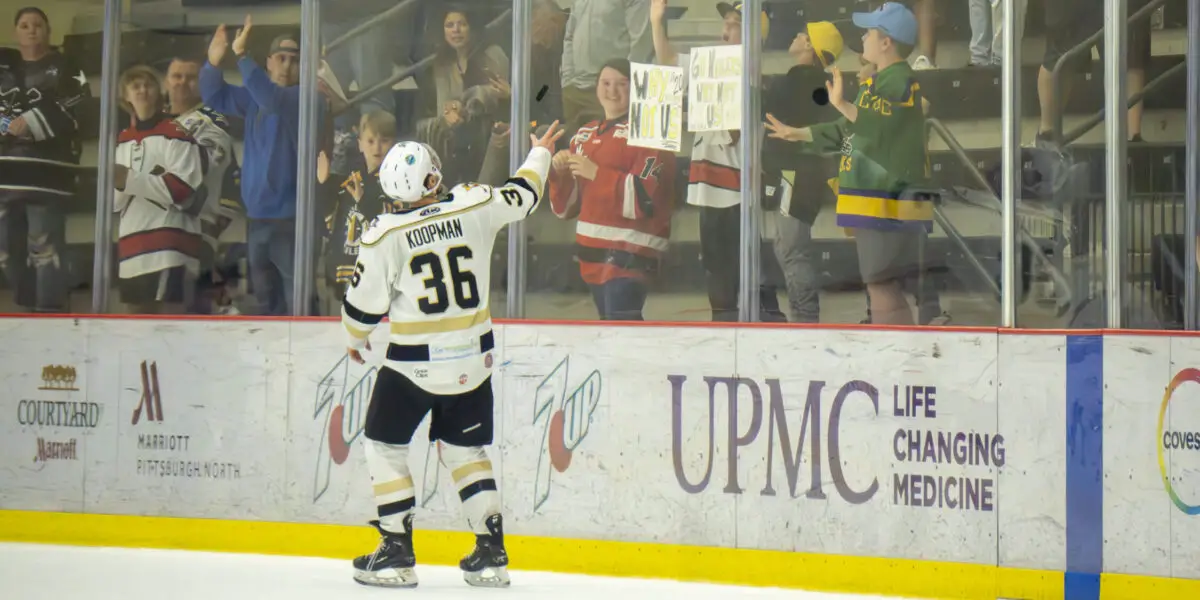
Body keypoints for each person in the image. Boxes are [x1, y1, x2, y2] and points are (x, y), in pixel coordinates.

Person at [342, 121, 566, 588]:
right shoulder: (473, 203)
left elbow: (362, 311)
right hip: (473, 364)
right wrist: (540, 153)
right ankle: (491, 552)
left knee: (383, 446)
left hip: (412, 365)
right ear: (431, 178)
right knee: (466, 452)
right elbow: (523, 195)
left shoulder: (385, 232)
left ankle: (397, 551)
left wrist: (355, 337)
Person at [765, 2, 932, 325]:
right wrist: (797, 133)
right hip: (875, 202)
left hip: (886, 202)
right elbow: (849, 128)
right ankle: (897, 358)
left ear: (887, 42)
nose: (864, 38)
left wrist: (841, 103)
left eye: (869, 32)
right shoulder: (881, 81)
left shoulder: (899, 80)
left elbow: (879, 126)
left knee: (883, 288)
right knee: (880, 287)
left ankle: (898, 361)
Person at [548, 58, 676, 320]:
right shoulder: (583, 134)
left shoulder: (652, 133)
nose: (612, 91)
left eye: (622, 84)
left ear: (636, 89)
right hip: (591, 258)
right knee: (610, 334)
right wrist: (559, 174)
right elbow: (566, 208)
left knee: (621, 335)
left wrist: (596, 173)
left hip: (630, 259)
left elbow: (645, 199)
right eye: (606, 83)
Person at [201, 16, 303, 315]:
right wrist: (213, 63)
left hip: (290, 221)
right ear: (269, 62)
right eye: (280, 58)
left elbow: (272, 100)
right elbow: (214, 95)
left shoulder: (303, 98)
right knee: (266, 301)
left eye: (294, 60)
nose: (286, 66)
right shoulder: (254, 98)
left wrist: (243, 57)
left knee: (296, 304)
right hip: (257, 219)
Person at [0, 6, 89, 312]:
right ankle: (28, 306)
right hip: (4, 176)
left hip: (46, 177)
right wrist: (7, 126)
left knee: (46, 248)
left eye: (38, 24)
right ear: (15, 33)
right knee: (5, 253)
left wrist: (32, 123)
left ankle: (49, 314)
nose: (31, 29)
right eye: (24, 24)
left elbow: (78, 99)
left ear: (48, 32)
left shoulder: (65, 66)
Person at [113, 65, 208, 314]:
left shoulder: (178, 132)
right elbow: (113, 202)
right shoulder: (121, 140)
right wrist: (134, 183)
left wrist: (130, 180)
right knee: (136, 334)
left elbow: (183, 190)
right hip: (131, 250)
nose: (142, 89)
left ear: (159, 91)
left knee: (169, 330)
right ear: (125, 96)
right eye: (135, 86)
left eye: (149, 84)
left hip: (170, 247)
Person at [319, 109, 397, 308]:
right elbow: (329, 218)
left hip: (381, 277)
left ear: (394, 144)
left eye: (384, 140)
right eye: (370, 141)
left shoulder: (398, 182)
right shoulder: (350, 178)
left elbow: (391, 226)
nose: (377, 147)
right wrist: (323, 183)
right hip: (348, 272)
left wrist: (364, 201)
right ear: (360, 143)